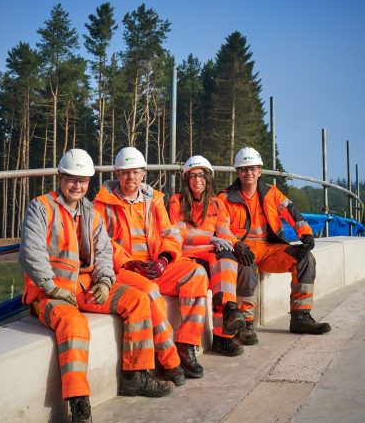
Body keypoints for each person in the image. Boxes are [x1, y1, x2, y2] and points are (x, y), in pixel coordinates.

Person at [19, 149, 174, 423]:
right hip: (48, 293)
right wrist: (51, 287)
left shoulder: (90, 211)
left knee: (138, 300)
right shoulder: (40, 208)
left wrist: (104, 280)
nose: (77, 186)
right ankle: (79, 406)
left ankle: (135, 376)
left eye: (83, 181)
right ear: (60, 177)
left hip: (85, 286)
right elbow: (31, 252)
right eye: (72, 180)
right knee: (75, 326)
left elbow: (104, 251)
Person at [94, 147, 209, 378]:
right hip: (125, 269)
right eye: (125, 172)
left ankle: (186, 345)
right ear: (117, 174)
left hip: (155, 265)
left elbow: (171, 234)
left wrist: (165, 260)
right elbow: (102, 243)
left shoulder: (154, 200)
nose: (131, 177)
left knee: (196, 274)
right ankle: (170, 361)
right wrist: (129, 263)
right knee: (151, 292)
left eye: (136, 172)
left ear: (143, 174)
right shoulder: (102, 204)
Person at [218, 146, 331, 336]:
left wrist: (306, 234)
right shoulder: (225, 198)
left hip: (270, 249)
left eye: (253, 168)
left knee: (305, 259)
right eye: (244, 169)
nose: (249, 173)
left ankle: (300, 317)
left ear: (260, 171)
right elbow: (220, 228)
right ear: (237, 172)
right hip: (244, 249)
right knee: (245, 267)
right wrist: (236, 244)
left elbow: (292, 213)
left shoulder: (271, 193)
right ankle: (245, 325)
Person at [168, 155, 259, 356]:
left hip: (210, 254)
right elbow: (182, 234)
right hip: (188, 256)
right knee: (221, 263)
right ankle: (229, 317)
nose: (197, 180)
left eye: (201, 175)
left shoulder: (217, 204)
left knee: (227, 259)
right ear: (186, 179)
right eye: (192, 176)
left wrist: (237, 244)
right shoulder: (176, 201)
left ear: (208, 178)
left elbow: (224, 232)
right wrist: (212, 239)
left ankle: (222, 336)